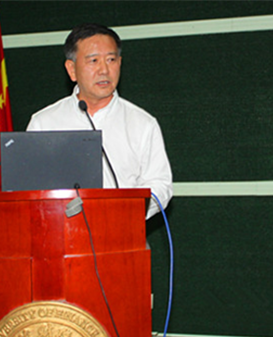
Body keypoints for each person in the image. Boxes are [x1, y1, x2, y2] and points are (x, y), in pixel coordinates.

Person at [27, 23, 172, 219]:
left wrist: (127, 213)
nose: (104, 70)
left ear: (120, 63)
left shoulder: (142, 123)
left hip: (122, 230)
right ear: (72, 69)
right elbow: (28, 188)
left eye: (111, 60)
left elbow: (160, 184)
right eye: (93, 61)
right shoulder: (43, 123)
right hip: (58, 231)